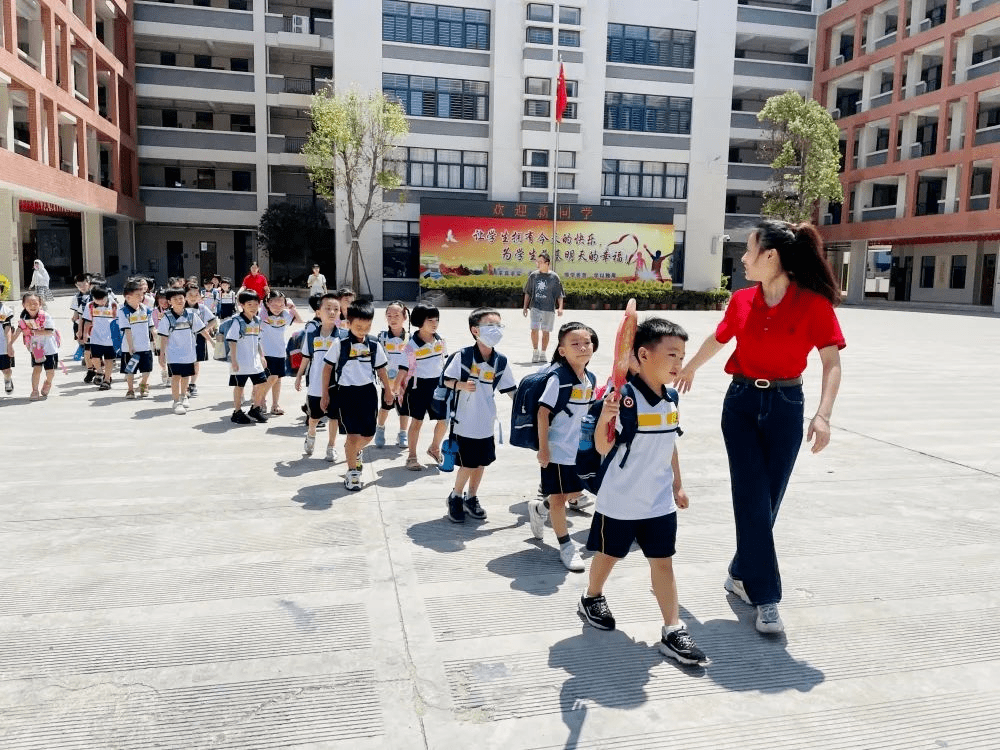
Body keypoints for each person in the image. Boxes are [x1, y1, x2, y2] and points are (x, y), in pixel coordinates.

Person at [675, 220, 846, 635]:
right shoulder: (741, 300)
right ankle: (767, 599)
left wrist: (822, 415)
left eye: (749, 251)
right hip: (742, 404)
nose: (744, 259)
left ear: (772, 257)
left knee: (767, 502)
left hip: (787, 405)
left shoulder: (813, 305)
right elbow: (720, 339)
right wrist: (690, 368)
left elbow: (831, 363)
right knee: (751, 497)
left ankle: (738, 571)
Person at [578, 317, 707, 666]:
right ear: (643, 355)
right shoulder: (624, 399)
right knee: (608, 556)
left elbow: (670, 445)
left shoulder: (672, 398)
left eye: (682, 355)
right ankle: (592, 596)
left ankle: (672, 628)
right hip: (619, 502)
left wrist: (678, 484)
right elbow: (603, 450)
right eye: (671, 355)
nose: (679, 363)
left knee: (662, 564)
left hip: (658, 502)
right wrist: (606, 418)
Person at [527, 322, 598, 572]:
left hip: (578, 451)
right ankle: (566, 546)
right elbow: (543, 413)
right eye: (574, 344)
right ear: (562, 350)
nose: (582, 347)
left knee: (573, 492)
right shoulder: (558, 378)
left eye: (586, 343)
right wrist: (543, 448)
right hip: (557, 449)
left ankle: (539, 507)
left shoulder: (590, 378)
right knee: (559, 499)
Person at [441, 308, 517, 523]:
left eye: (499, 326)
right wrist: (461, 385)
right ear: (475, 330)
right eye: (490, 326)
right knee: (468, 463)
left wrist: (528, 406)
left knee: (481, 462)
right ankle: (455, 496)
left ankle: (471, 497)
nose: (496, 330)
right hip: (464, 421)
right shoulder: (463, 356)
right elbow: (445, 380)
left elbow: (511, 389)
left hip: (485, 421)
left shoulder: (500, 361)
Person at [320, 299, 393, 492]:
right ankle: (353, 472)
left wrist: (388, 390)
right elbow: (327, 368)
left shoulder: (374, 345)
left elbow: (382, 369)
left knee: (369, 434)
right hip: (346, 394)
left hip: (368, 393)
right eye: (359, 326)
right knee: (352, 436)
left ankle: (353, 451)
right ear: (348, 323)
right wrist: (324, 394)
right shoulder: (340, 343)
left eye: (367, 326)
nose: (363, 330)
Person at [398, 302, 448, 471]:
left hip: (439, 386)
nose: (435, 324)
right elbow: (403, 369)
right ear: (420, 322)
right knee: (417, 422)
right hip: (418, 388)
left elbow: (445, 363)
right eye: (430, 320)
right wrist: (396, 388)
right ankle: (411, 456)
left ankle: (434, 447)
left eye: (437, 320)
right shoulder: (411, 346)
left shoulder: (440, 340)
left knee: (444, 420)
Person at [295, 293, 341, 460]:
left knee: (334, 417)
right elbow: (306, 357)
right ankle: (311, 435)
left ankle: (331, 446)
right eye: (327, 309)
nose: (332, 312)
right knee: (314, 416)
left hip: (335, 384)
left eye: (336, 309)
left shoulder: (342, 335)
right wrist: (299, 375)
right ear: (318, 312)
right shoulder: (312, 334)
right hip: (315, 383)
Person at [157, 287, 211, 415]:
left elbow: (202, 329)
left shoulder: (191, 315)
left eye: (181, 298)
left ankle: (183, 396)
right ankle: (176, 402)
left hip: (189, 353)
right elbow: (163, 337)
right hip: (173, 354)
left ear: (185, 299)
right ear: (169, 302)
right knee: (176, 377)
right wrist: (161, 354)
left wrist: (212, 342)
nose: (179, 301)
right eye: (175, 299)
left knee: (186, 376)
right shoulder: (167, 318)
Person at [226, 290, 270, 425]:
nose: (253, 307)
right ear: (242, 305)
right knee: (239, 386)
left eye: (256, 304)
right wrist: (234, 360)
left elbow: (258, 340)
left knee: (262, 383)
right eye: (249, 304)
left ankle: (255, 408)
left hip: (254, 360)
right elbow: (232, 341)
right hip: (240, 361)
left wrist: (262, 356)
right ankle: (237, 412)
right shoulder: (237, 321)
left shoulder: (257, 321)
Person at [374, 301, 411, 449]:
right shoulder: (382, 337)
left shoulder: (411, 337)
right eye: (389, 315)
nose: (393, 318)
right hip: (387, 381)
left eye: (397, 315)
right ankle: (380, 429)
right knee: (385, 407)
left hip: (405, 382)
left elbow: (413, 361)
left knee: (404, 409)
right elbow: (377, 359)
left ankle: (402, 434)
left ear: (404, 317)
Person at [259, 290, 302, 415]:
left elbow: (299, 320)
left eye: (281, 305)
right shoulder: (263, 316)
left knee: (277, 380)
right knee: (271, 378)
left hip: (280, 352)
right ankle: (260, 400)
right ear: (267, 304)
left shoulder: (285, 315)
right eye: (274, 304)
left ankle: (275, 405)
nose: (278, 308)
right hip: (266, 352)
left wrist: (292, 307)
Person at [10, 292, 59, 400]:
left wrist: (33, 332)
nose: (32, 306)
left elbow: (50, 332)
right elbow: (18, 330)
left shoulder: (46, 316)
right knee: (37, 369)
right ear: (23, 305)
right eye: (28, 303)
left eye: (35, 303)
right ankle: (35, 390)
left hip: (49, 348)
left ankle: (48, 382)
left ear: (40, 304)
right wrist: (10, 344)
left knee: (50, 371)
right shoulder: (23, 318)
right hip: (37, 348)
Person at [522, 253, 564, 363]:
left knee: (546, 332)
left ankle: (543, 353)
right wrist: (525, 307)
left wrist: (560, 308)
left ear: (547, 263)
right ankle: (535, 351)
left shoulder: (554, 277)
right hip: (535, 307)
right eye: (537, 261)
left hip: (548, 309)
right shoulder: (533, 276)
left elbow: (559, 294)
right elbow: (528, 292)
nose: (538, 264)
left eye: (540, 262)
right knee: (534, 329)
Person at [117, 280, 155, 399]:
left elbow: (152, 326)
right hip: (130, 348)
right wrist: (131, 346)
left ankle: (144, 384)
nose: (141, 297)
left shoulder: (146, 309)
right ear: (128, 297)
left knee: (147, 370)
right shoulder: (123, 311)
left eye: (142, 294)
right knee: (130, 371)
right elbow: (127, 330)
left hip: (145, 346)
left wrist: (157, 339)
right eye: (138, 295)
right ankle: (130, 390)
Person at [82, 285, 118, 390]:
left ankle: (107, 380)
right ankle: (100, 372)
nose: (100, 302)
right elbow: (87, 321)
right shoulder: (90, 306)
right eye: (97, 300)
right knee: (95, 358)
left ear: (107, 296)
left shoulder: (114, 305)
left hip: (110, 339)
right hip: (95, 337)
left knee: (109, 360)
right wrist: (84, 334)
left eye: (102, 299)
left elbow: (118, 321)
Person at [184, 283, 217, 398]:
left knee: (196, 362)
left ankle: (192, 384)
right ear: (185, 295)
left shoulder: (202, 308)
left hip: (199, 338)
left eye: (196, 294)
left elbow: (213, 320)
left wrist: (204, 329)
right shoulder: (181, 308)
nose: (193, 297)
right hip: (184, 338)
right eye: (190, 294)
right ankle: (184, 385)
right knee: (186, 362)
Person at [1, 300, 16, 394]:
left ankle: (7, 379)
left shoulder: (5, 311)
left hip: (2, 345)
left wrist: (9, 345)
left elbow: (8, 329)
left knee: (6, 369)